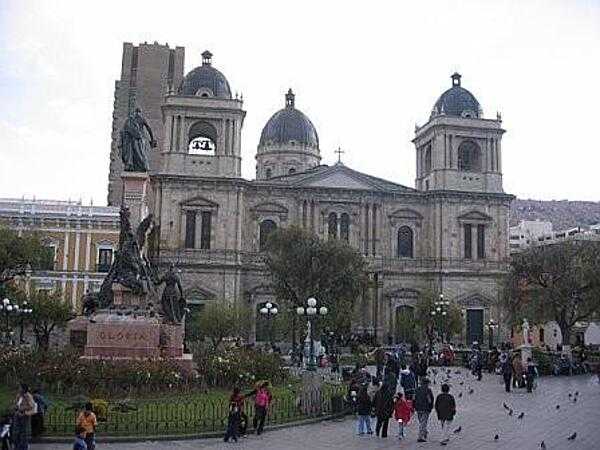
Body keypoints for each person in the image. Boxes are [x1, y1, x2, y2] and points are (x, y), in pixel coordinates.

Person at [13, 383, 37, 450]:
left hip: (24, 416)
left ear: (23, 389)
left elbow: (32, 406)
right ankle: (17, 447)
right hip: (17, 416)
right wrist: (15, 407)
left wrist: (23, 411)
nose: (19, 389)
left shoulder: (28, 396)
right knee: (16, 433)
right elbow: (17, 404)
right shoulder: (19, 395)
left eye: (20, 388)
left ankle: (23, 448)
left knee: (23, 434)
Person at [414, 377, 434, 443]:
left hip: (418, 408)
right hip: (425, 408)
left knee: (421, 422)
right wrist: (430, 407)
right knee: (423, 422)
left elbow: (414, 398)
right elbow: (429, 400)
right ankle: (420, 436)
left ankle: (424, 432)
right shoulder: (428, 390)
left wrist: (414, 406)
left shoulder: (417, 389)